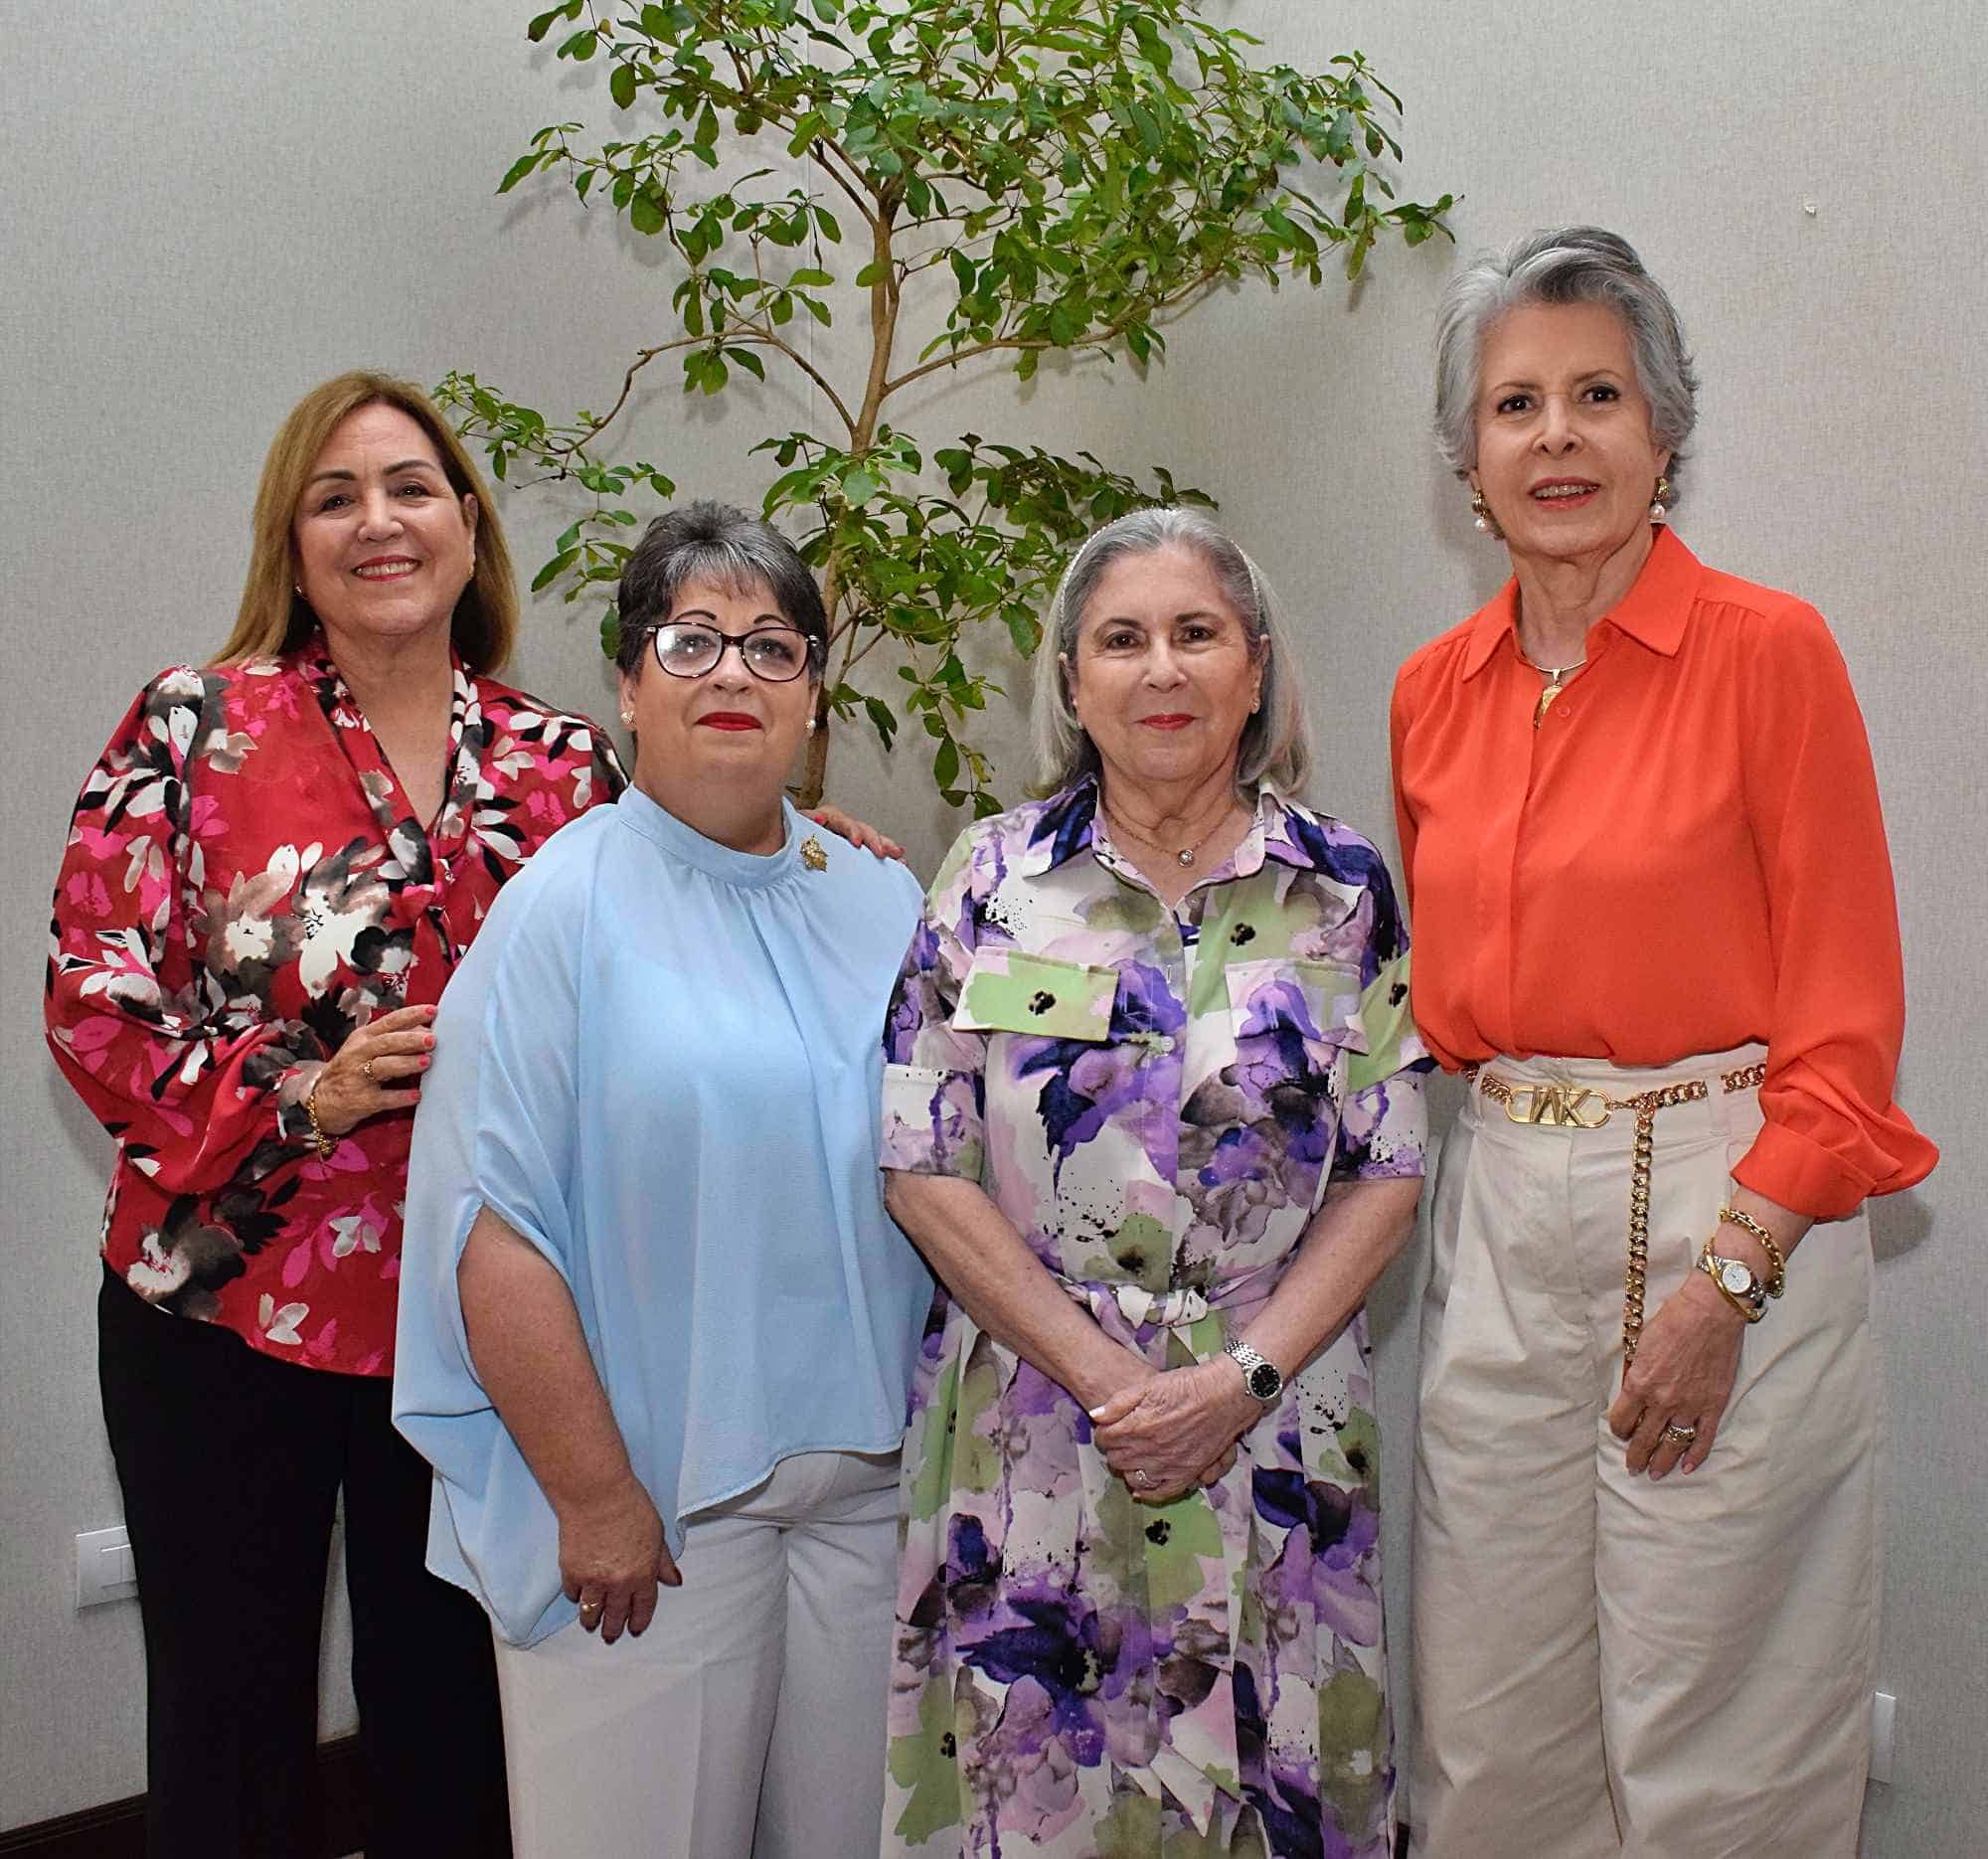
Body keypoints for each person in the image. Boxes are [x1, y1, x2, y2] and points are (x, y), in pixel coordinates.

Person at [44, 375, 887, 1858]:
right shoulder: (195, 725)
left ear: (469, 529)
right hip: (227, 1317)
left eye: (413, 489)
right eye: (337, 497)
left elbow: (694, 855)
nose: (380, 522)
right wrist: (297, 1095)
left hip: (479, 1336)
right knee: (230, 1729)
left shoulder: (559, 759)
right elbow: (95, 1002)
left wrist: (815, 857)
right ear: (291, 539)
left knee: (451, 1736)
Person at [1391, 227, 1938, 1858]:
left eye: (1598, 395)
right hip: (1500, 1195)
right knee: (1489, 1731)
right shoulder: (1433, 692)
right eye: (1516, 404)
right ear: (1468, 459)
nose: (1555, 435)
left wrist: (1729, 1283)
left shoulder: (1771, 655)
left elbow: (1845, 1029)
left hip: (1722, 1199)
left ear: (1664, 432)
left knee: (1720, 1738)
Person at [876, 507, 1429, 1858]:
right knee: (1041, 1795)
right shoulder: (989, 879)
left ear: (1256, 668)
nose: (1162, 668)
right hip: (1039, 1425)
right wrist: (1112, 1382)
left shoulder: (1343, 888)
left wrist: (1235, 1380)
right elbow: (921, 1160)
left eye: (1197, 633)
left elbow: (1390, 1167)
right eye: (1122, 640)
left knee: (1272, 1789)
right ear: (1073, 681)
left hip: (1275, 1421)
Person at [392, 500, 933, 1859]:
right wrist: (593, 1496)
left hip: (871, 1500)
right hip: (655, 1516)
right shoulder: (559, 910)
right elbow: (490, 1229)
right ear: (628, 686)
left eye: (773, 645)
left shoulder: (882, 898)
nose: (734, 672)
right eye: (692, 641)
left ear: (814, 694)